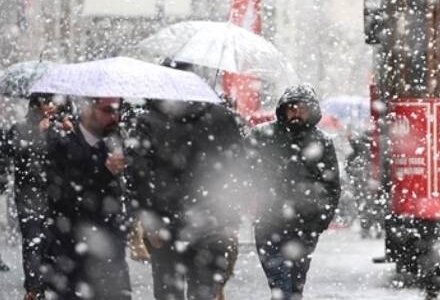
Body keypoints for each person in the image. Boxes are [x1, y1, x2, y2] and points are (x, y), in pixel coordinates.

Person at [125, 95, 246, 300]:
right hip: (212, 219)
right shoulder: (223, 117)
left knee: (168, 292)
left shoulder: (148, 120)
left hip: (165, 221)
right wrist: (231, 219)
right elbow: (239, 168)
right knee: (204, 292)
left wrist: (147, 216)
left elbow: (138, 174)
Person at [247, 85, 341, 300]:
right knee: (280, 285)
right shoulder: (261, 135)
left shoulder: (322, 141)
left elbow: (331, 186)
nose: (296, 113)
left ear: (311, 111)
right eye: (292, 108)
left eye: (302, 108)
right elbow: (242, 170)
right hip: (269, 223)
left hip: (305, 226)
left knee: (296, 285)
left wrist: (320, 221)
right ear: (284, 109)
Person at [44, 96, 131, 300]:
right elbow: (62, 199)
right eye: (108, 110)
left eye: (117, 110)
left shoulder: (114, 144)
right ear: (87, 109)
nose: (115, 117)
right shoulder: (62, 144)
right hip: (73, 261)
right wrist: (104, 172)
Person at [2, 93, 72, 299]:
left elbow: (70, 157)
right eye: (48, 102)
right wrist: (36, 135)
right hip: (29, 194)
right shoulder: (20, 128)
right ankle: (34, 288)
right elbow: (10, 152)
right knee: (33, 242)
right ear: (37, 105)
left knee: (51, 241)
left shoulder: (59, 127)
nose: (52, 106)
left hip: (54, 194)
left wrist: (69, 133)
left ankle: (46, 283)